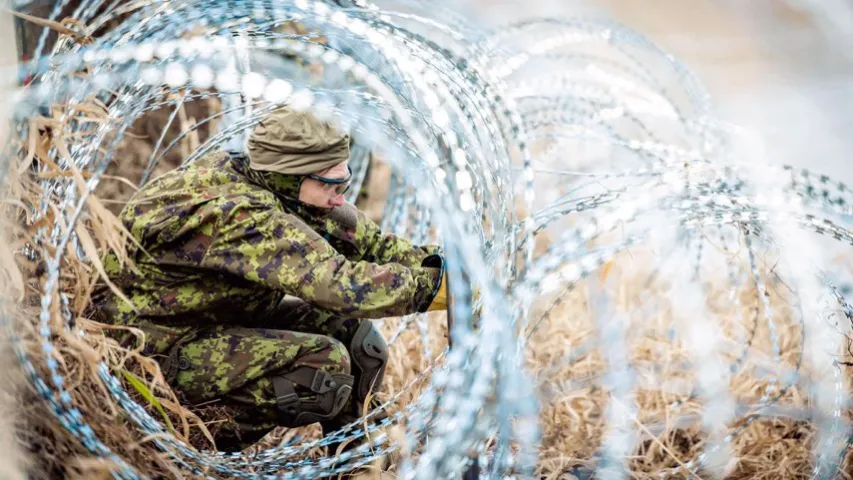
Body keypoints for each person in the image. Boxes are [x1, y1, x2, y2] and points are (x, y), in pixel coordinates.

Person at [93, 106, 449, 452]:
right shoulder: (242, 214)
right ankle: (179, 441)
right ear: (294, 176)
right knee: (323, 365)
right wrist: (436, 291)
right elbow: (338, 284)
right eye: (331, 183)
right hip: (150, 359)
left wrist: (446, 266)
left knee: (354, 338)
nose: (340, 195)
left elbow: (368, 244)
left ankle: (357, 462)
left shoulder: (280, 187)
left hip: (204, 324)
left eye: (345, 180)